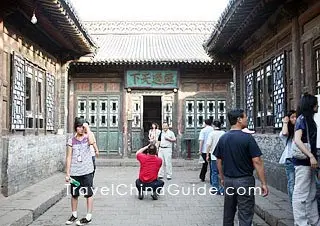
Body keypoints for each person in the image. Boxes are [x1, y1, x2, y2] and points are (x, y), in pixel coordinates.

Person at [213, 109, 268, 225]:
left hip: (228, 180)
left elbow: (218, 160)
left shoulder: (223, 138)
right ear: (239, 120)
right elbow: (257, 161)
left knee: (228, 212)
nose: (246, 119)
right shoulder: (247, 138)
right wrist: (263, 183)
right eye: (245, 117)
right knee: (245, 213)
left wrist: (222, 178)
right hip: (244, 180)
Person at [292, 93, 319, 225]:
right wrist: (311, 156)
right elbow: (297, 140)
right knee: (301, 194)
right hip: (303, 161)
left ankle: (314, 221)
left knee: (311, 193)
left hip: (309, 162)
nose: (317, 106)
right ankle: (301, 222)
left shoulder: (309, 119)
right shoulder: (301, 119)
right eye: (315, 104)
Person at [65, 117, 95, 226]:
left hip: (87, 171)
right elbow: (68, 157)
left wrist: (88, 128)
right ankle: (74, 214)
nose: (81, 129)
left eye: (83, 127)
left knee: (88, 193)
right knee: (74, 194)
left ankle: (88, 216)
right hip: (75, 172)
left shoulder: (88, 137)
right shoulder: (71, 141)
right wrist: (67, 173)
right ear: (75, 128)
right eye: (79, 127)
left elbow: (92, 142)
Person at [278, 110, 296, 205]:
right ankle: (293, 204)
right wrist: (285, 122)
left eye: (296, 117)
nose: (295, 119)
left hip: (302, 160)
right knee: (291, 182)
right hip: (290, 159)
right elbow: (284, 133)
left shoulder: (301, 128)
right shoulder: (287, 131)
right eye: (292, 117)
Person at [206, 120, 224, 194]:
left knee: (214, 172)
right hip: (223, 157)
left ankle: (215, 188)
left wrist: (207, 155)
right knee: (222, 172)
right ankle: (222, 189)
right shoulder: (223, 133)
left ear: (213, 126)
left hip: (214, 156)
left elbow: (208, 145)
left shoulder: (211, 134)